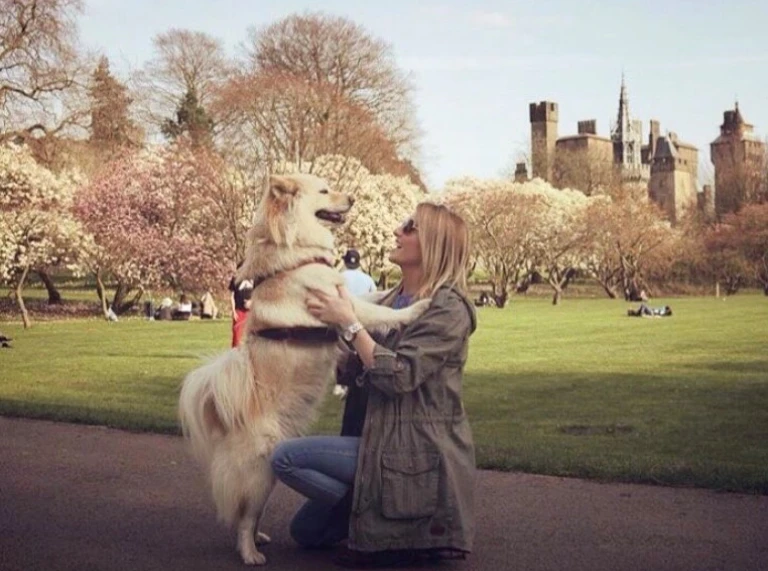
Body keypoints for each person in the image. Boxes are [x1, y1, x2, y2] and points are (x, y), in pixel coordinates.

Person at [271, 203, 477, 568]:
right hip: (375, 439)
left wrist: (349, 324)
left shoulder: (448, 308)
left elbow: (399, 374)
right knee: (306, 532)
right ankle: (373, 514)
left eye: (410, 227)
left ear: (434, 243)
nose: (397, 231)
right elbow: (358, 366)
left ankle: (406, 531)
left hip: (412, 449)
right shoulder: (390, 299)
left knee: (285, 458)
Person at [229, 263, 254, 347]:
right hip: (239, 310)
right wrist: (233, 311)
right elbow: (232, 296)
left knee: (251, 333)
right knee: (237, 332)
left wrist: (251, 302)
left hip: (251, 311)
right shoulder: (235, 280)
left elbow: (258, 293)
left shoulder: (253, 279)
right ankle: (235, 350)